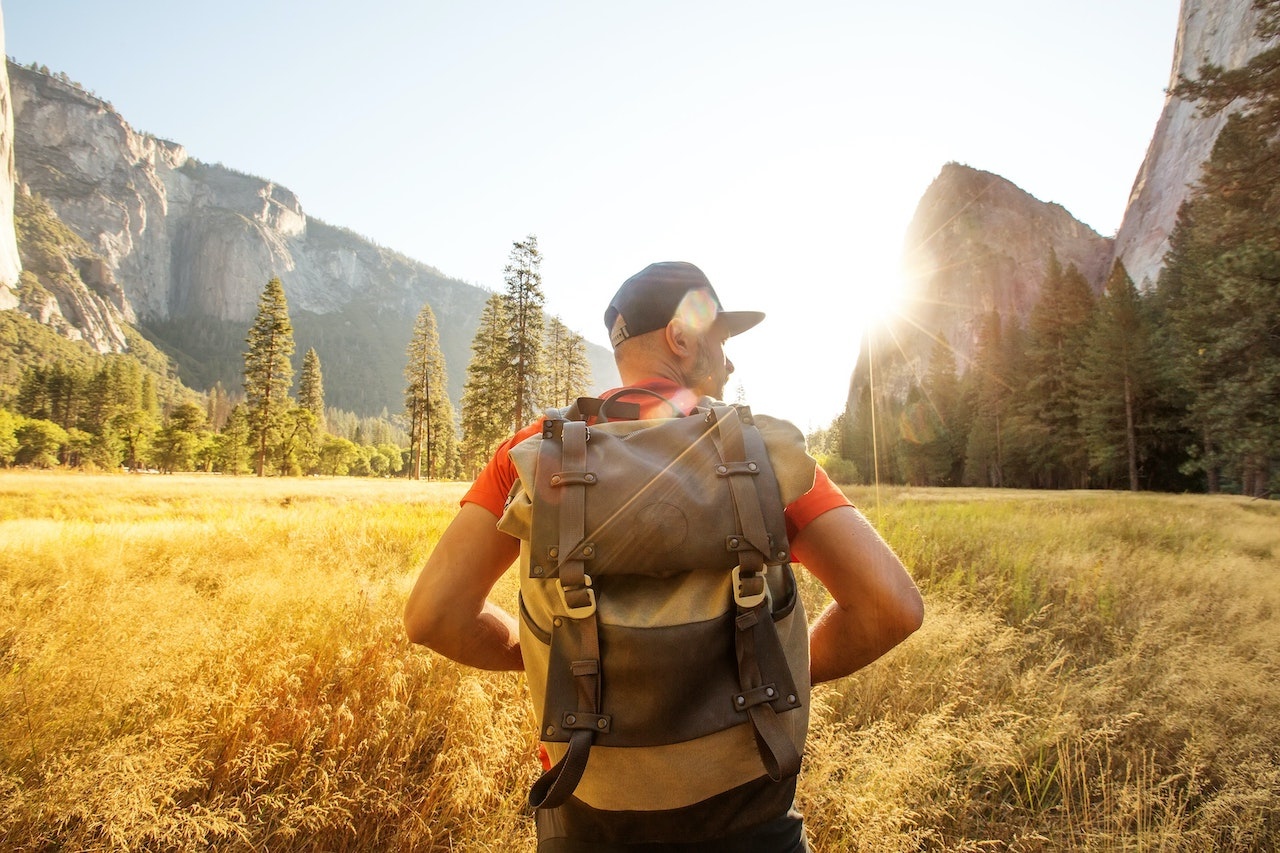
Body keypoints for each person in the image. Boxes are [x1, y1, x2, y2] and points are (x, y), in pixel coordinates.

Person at [405, 261, 924, 851]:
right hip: (751, 819)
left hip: (586, 818)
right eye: (722, 338)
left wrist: (553, 662)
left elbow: (432, 616)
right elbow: (894, 607)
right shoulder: (761, 456)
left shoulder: (530, 456)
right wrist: (781, 668)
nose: (730, 360)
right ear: (680, 337)